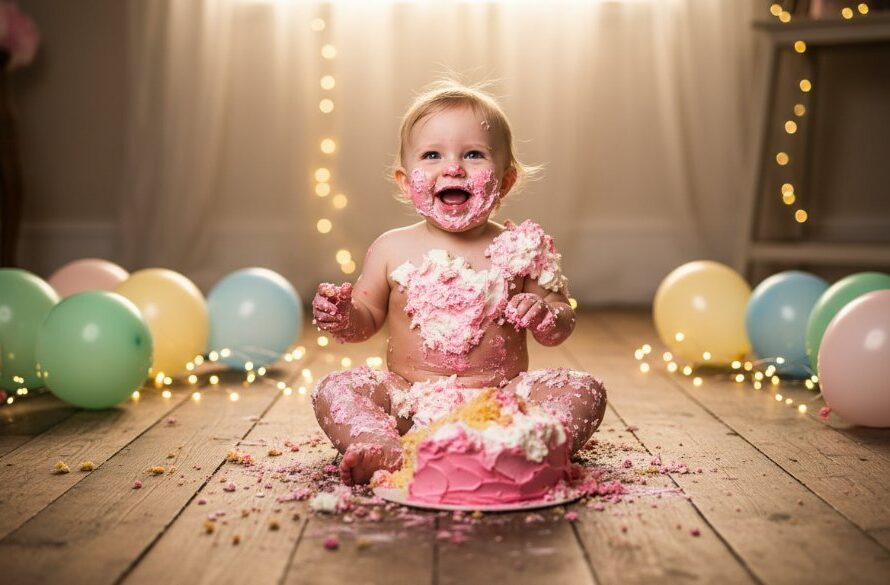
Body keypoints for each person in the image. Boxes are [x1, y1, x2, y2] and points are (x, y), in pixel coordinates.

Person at [312, 80, 606, 485]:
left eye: (473, 154)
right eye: (432, 155)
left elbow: (561, 322)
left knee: (582, 389)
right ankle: (379, 442)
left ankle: (532, 445)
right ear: (405, 180)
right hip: (409, 400)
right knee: (337, 387)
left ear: (504, 182)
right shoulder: (391, 248)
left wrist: (545, 314)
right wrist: (344, 316)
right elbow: (367, 318)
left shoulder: (521, 248)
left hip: (503, 401)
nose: (453, 167)